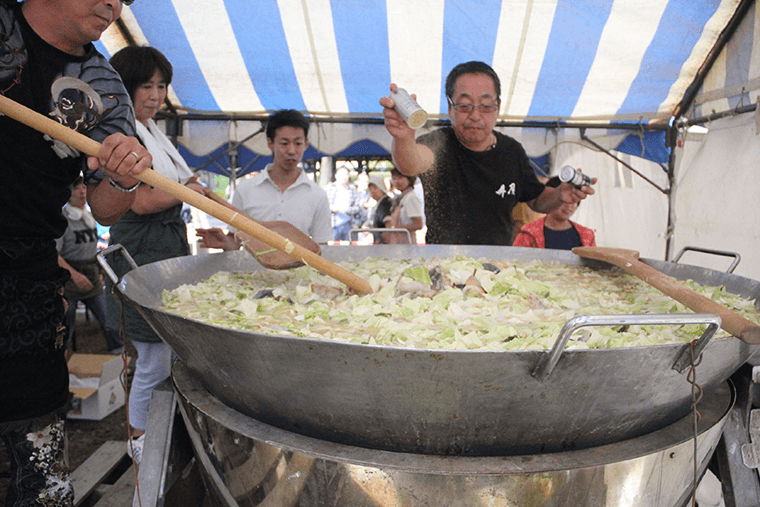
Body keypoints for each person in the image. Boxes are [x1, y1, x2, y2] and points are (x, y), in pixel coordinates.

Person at [0, 0, 151, 505]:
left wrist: (124, 177)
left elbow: (106, 208)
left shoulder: (103, 89)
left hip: (27, 279)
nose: (114, 3)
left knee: (41, 466)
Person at [105, 45, 213, 463]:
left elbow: (183, 184)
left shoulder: (153, 131)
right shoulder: (122, 132)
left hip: (165, 245)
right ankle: (139, 441)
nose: (155, 94)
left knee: (165, 350)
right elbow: (139, 202)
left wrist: (194, 191)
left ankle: (159, 429)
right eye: (145, 86)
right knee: (150, 353)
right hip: (140, 248)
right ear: (124, 87)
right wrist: (188, 193)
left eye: (161, 86)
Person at [379, 61, 595, 245]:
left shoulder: (512, 151)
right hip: (444, 262)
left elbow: (537, 200)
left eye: (485, 105)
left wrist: (559, 195)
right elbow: (410, 163)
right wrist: (404, 136)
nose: (475, 115)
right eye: (464, 105)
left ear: (498, 107)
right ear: (450, 107)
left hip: (498, 264)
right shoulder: (439, 143)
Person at [196, 109, 333, 250]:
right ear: (270, 143)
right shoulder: (245, 190)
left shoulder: (317, 195)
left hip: (300, 271)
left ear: (306, 143)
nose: (291, 150)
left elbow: (321, 247)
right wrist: (226, 242)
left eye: (297, 143)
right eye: (284, 143)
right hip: (252, 271)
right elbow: (235, 241)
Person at [57, 176, 123, 354]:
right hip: (69, 277)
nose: (82, 192)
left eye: (84, 188)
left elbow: (93, 248)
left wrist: (100, 269)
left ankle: (118, 352)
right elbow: (55, 254)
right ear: (68, 193)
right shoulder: (62, 219)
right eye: (77, 189)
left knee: (107, 317)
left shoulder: (89, 216)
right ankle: (62, 357)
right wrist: (74, 275)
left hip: (91, 273)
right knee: (65, 322)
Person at [513, 178, 596, 249]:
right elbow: (516, 262)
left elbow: (594, 265)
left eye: (574, 202)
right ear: (551, 198)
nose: (569, 207)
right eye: (565, 200)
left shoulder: (587, 235)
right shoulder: (528, 233)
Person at [383, 168, 424, 244]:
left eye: (400, 177)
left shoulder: (411, 197)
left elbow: (418, 224)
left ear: (410, 179)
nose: (397, 181)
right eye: (394, 178)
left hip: (406, 245)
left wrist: (397, 228)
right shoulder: (401, 198)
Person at [326, 165, 362, 241]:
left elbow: (358, 208)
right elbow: (323, 206)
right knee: (333, 249)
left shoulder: (352, 190)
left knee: (349, 250)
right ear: (336, 175)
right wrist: (332, 208)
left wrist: (347, 209)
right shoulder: (328, 188)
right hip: (332, 224)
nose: (344, 177)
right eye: (341, 174)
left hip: (349, 224)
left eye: (346, 174)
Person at [366, 175, 393, 244]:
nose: (372, 191)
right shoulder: (380, 203)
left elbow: (389, 224)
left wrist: (382, 240)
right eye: (370, 189)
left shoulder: (386, 203)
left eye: (375, 188)